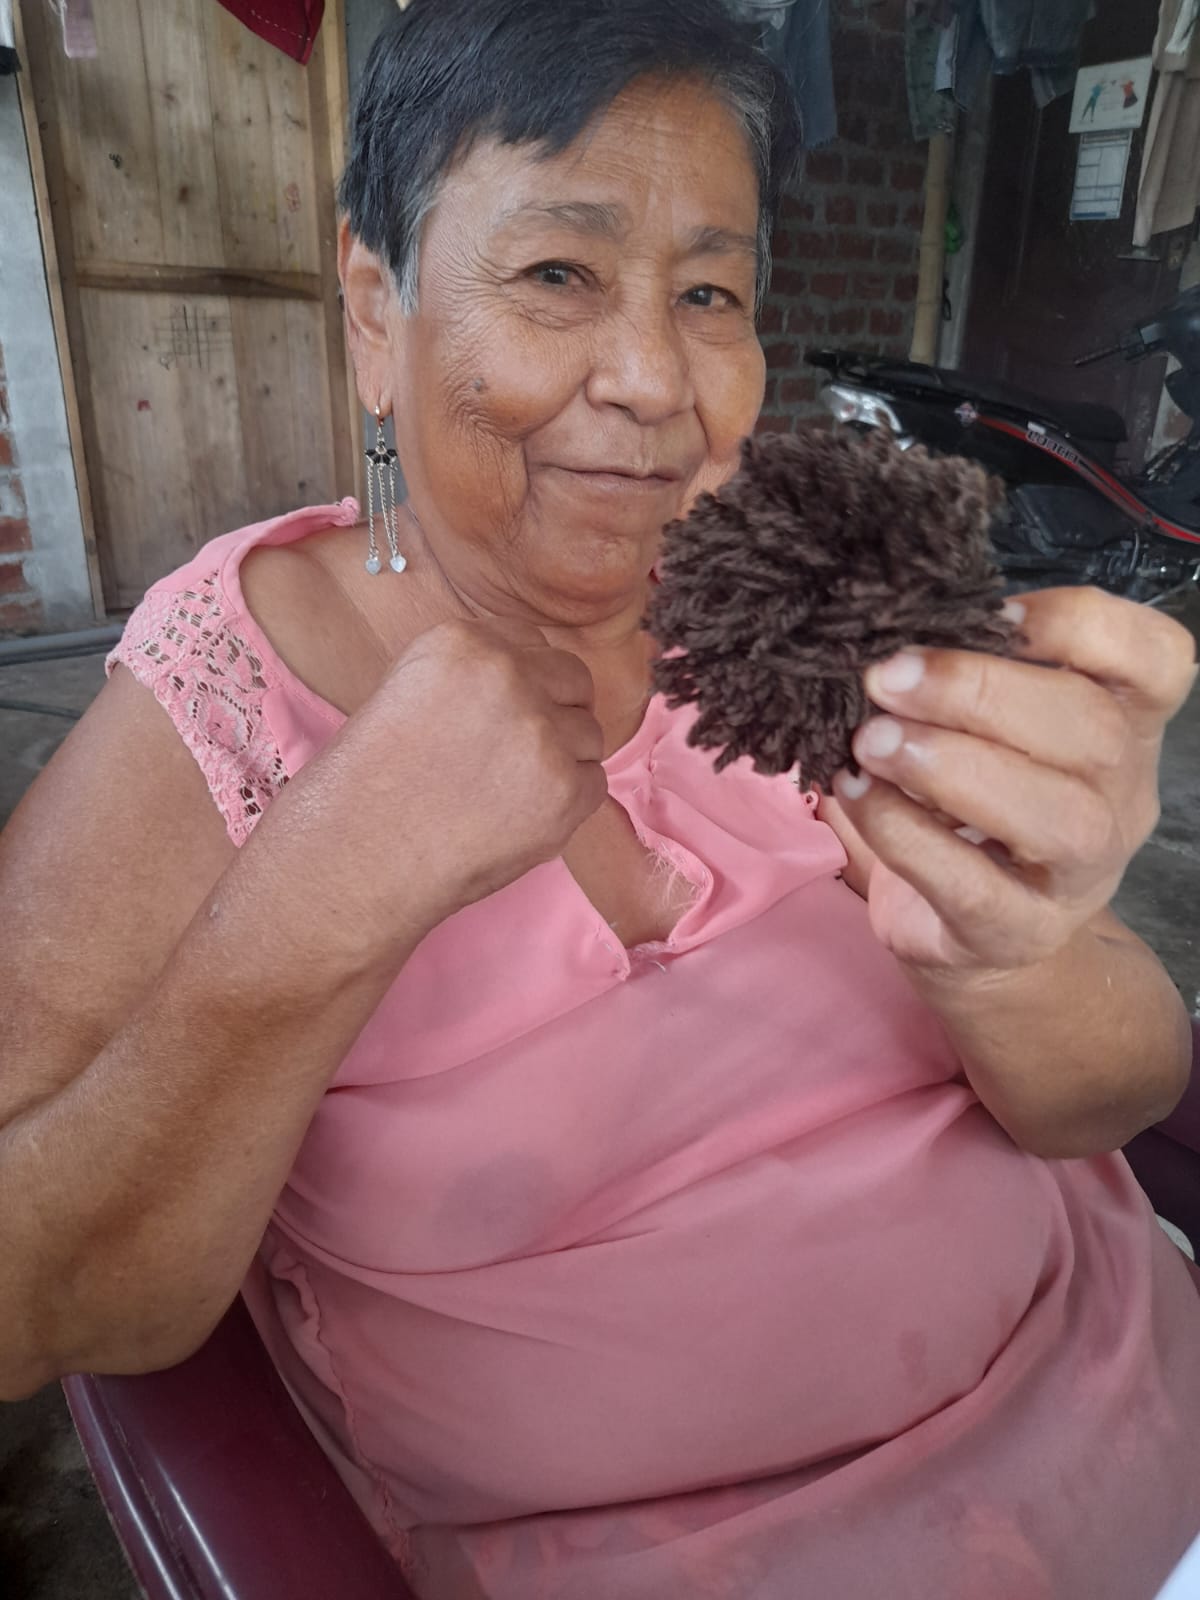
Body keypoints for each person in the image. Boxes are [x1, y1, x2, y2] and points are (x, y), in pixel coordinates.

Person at [1, 1, 1199, 1595]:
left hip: (1142, 1417)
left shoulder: (812, 606)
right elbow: (34, 1299)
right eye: (558, 274)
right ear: (377, 308)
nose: (651, 378)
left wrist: (1014, 953)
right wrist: (313, 906)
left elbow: (1113, 1099)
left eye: (708, 293)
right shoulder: (227, 688)